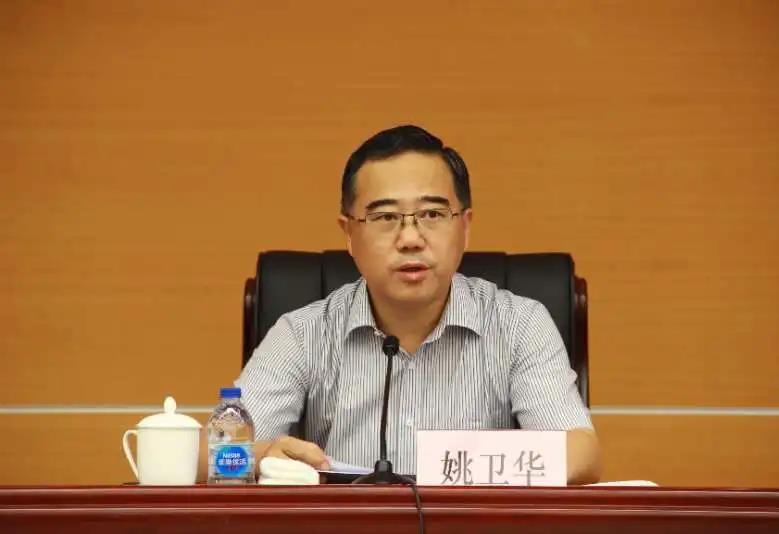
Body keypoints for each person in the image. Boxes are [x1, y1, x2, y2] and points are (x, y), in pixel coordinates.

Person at [198, 125, 601, 484]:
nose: (410, 238)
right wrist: (263, 455)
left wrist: (459, 466)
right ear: (349, 234)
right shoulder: (302, 334)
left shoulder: (519, 325)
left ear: (464, 227)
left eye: (432, 214)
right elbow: (207, 456)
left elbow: (581, 454)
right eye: (386, 217)